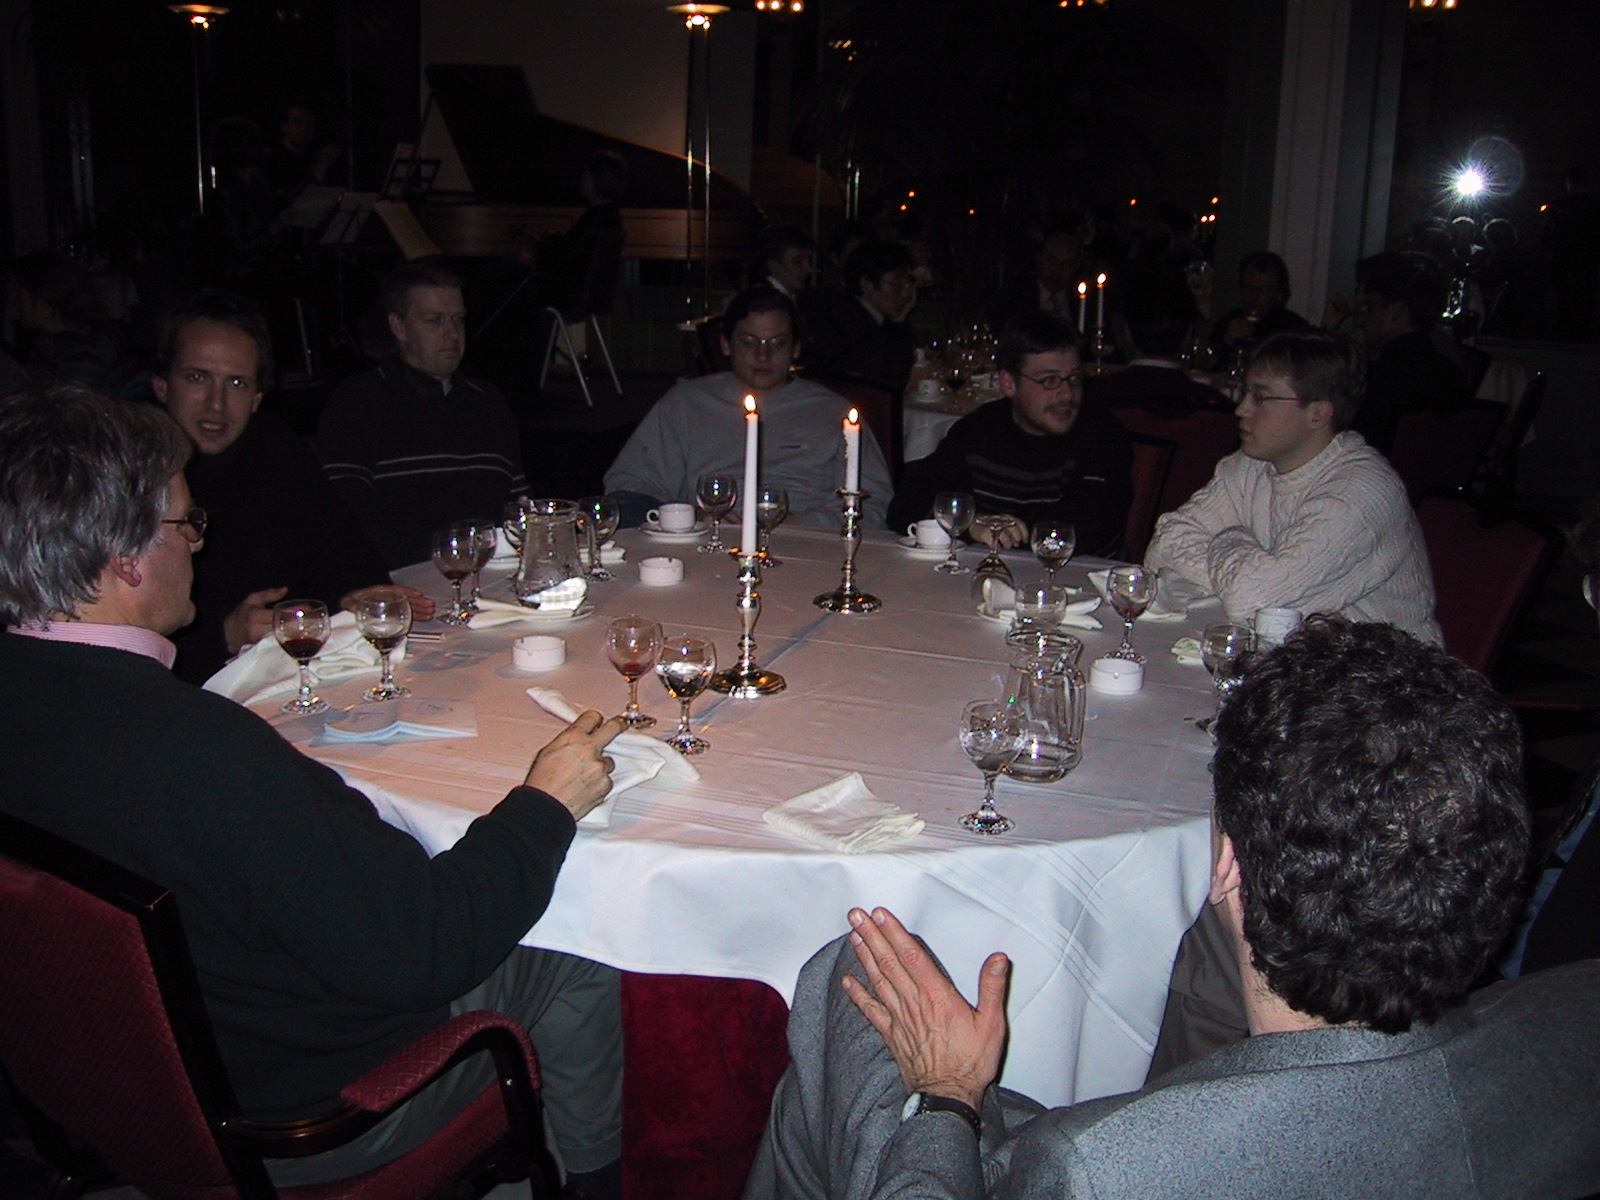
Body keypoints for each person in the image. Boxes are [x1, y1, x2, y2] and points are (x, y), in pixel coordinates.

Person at [0, 382, 626, 1197]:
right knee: (578, 942)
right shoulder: (195, 749)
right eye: (187, 524)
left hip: (97, 1088)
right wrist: (543, 803)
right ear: (125, 559)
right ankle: (591, 1182)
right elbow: (426, 948)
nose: (199, 544)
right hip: (296, 1116)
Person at [746, 617, 1600, 1199]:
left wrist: (947, 1098)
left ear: (1225, 864)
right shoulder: (1578, 1024)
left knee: (845, 982)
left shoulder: (1097, 1168)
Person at [151, 289, 434, 685]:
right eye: (197, 378)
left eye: (236, 383)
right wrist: (223, 635)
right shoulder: (134, 473)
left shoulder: (275, 449)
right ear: (162, 385)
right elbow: (110, 638)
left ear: (256, 399)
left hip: (290, 678)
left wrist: (350, 593)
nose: (216, 403)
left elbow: (341, 545)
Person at [1143, 329, 1439, 642]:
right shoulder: (1252, 465)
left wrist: (1231, 537)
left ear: (1317, 414)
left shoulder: (1362, 494)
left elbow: (1249, 600)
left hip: (1382, 665)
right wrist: (1248, 572)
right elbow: (1163, 547)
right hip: (1297, 653)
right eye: (1245, 392)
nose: (1241, 408)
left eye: (1260, 397)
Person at [605, 285, 892, 529]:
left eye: (777, 344)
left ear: (795, 349)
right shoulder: (687, 403)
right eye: (748, 342)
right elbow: (629, 487)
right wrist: (692, 517)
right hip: (709, 538)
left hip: (808, 542)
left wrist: (793, 522)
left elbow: (874, 505)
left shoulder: (835, 413)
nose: (762, 355)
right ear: (726, 344)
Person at [319, 262, 528, 569]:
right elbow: (347, 520)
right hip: (403, 575)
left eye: (458, 319)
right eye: (434, 320)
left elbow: (519, 509)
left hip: (492, 573)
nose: (453, 333)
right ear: (399, 327)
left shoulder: (488, 402)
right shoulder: (359, 402)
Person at [888, 312, 1133, 558]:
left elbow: (1085, 529)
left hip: (1080, 577)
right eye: (1049, 381)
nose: (1067, 394)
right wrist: (972, 524)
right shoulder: (979, 430)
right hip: (989, 573)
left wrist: (999, 527)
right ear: (1008, 384)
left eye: (1074, 379)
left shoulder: (1101, 435)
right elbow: (905, 506)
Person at [1343, 251, 1470, 455]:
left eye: (1371, 307)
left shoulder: (1381, 377)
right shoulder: (1448, 371)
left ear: (1397, 312)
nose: (1364, 316)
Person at [798, 239, 918, 391]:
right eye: (896, 284)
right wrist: (898, 324)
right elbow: (889, 376)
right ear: (867, 284)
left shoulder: (870, 317)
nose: (906, 293)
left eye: (909, 283)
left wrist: (899, 320)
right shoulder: (845, 320)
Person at [984, 216, 1092, 334]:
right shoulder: (1012, 298)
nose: (1058, 270)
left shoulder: (1086, 304)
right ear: (1039, 258)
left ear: (1076, 266)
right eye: (1052, 261)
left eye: (1067, 264)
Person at [1206, 250, 1310, 362]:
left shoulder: (1293, 331)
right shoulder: (1229, 322)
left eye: (1263, 290)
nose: (1254, 296)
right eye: (1248, 288)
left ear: (1279, 294)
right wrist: (1227, 340)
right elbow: (1207, 362)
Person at [759, 223, 816, 299]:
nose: (808, 269)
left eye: (809, 260)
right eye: (798, 261)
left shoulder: (790, 297)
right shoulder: (766, 301)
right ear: (774, 266)